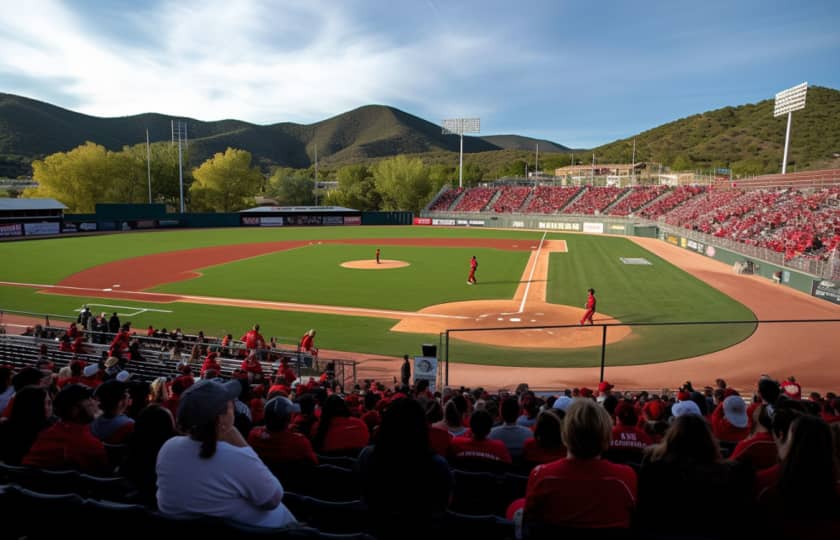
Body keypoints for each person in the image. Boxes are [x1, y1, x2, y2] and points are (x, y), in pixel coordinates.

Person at [156, 379, 297, 527]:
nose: (233, 406)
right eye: (230, 404)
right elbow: (273, 499)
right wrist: (241, 443)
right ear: (220, 419)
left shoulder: (168, 447)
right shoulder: (235, 457)